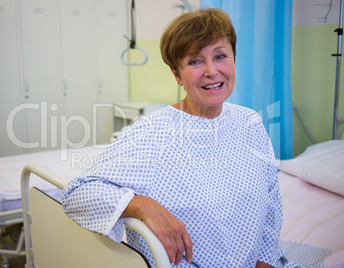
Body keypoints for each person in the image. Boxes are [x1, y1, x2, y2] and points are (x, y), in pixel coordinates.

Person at [63, 8, 282, 267]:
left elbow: (271, 202)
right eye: (195, 61)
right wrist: (139, 204)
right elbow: (77, 194)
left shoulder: (250, 122)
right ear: (177, 75)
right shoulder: (152, 134)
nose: (212, 71)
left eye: (220, 56)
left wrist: (265, 262)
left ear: (234, 59)